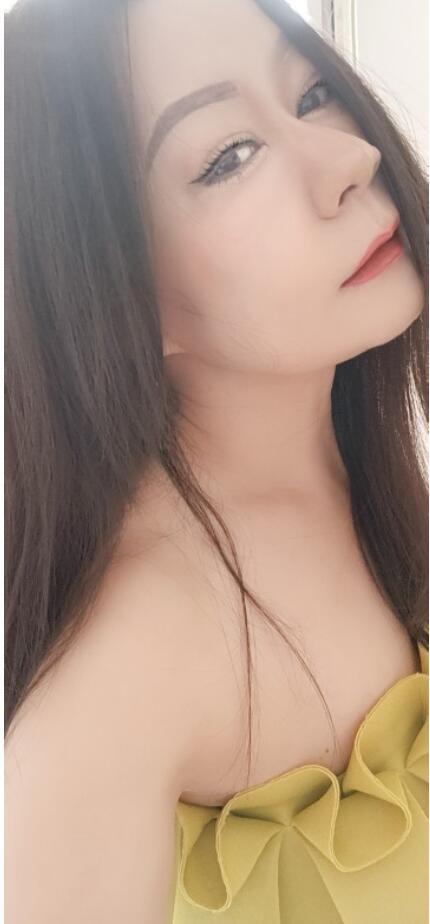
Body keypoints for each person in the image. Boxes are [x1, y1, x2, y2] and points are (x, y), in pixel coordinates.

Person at [4, 0, 428, 922]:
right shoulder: (130, 670)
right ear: (110, 286)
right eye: (229, 156)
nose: (348, 159)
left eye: (311, 94)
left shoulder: (368, 470)